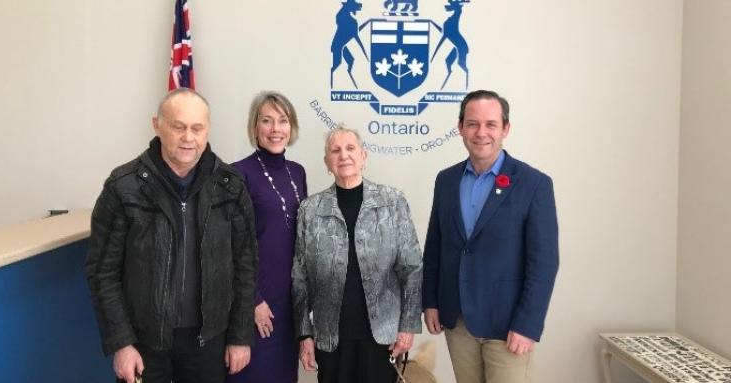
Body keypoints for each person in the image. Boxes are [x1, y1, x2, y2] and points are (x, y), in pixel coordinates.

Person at [85, 88, 257, 383]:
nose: (188, 137)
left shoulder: (231, 186)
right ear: (157, 125)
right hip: (144, 343)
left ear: (208, 130)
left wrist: (241, 335)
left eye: (196, 128)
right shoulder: (123, 186)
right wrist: (122, 344)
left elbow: (246, 265)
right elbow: (103, 272)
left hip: (209, 341)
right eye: (178, 126)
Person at [422, 90, 559, 383]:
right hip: (458, 320)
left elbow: (544, 263)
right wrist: (430, 301)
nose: (481, 132)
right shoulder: (446, 180)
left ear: (505, 129)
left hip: (508, 325)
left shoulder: (534, 184)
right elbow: (435, 246)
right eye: (472, 124)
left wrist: (528, 324)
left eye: (490, 124)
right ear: (460, 128)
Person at [292, 127, 423, 383]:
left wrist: (407, 326)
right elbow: (300, 277)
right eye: (335, 150)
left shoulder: (392, 202)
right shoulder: (310, 209)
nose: (344, 156)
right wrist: (304, 335)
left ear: (363, 155)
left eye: (350, 148)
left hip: (381, 336)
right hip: (330, 337)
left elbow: (412, 267)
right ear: (327, 162)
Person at [228, 91, 307, 383]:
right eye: (267, 121)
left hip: (289, 304)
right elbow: (232, 247)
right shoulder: (238, 174)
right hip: (256, 302)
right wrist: (253, 300)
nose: (276, 129)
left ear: (292, 126)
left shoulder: (297, 173)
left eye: (283, 121)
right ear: (255, 127)